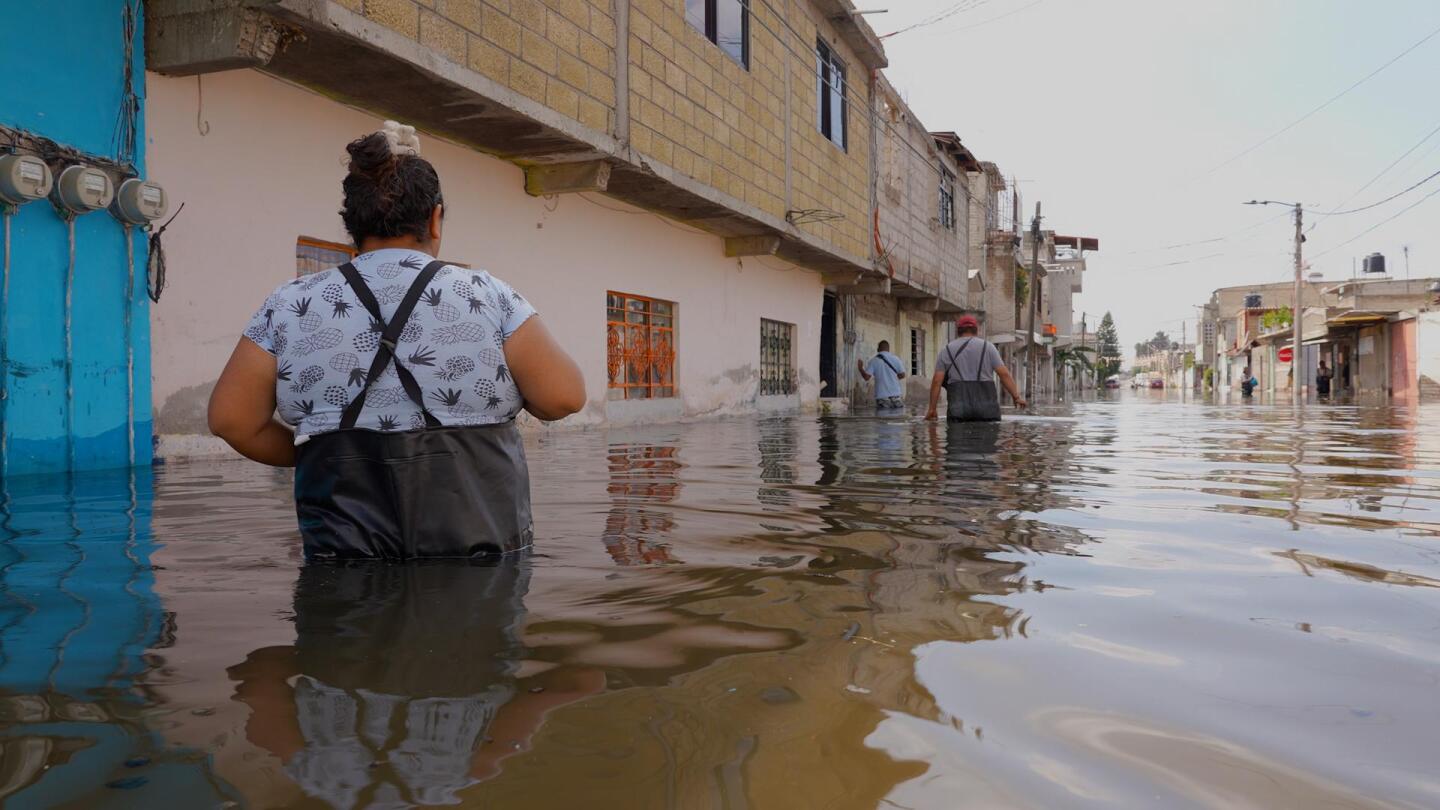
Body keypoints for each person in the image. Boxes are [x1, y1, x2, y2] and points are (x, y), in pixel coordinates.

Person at [208, 122, 585, 559]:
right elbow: (564, 398)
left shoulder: (291, 302)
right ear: (435, 218)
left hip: (345, 561)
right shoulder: (486, 295)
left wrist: (313, 451)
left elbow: (231, 420)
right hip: (476, 559)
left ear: (352, 223)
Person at [926, 315, 1026, 421]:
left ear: (958, 331)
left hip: (958, 410)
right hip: (987, 410)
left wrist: (932, 409)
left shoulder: (946, 350)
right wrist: (1016, 397)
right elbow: (1004, 374)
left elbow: (937, 381)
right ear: (976, 330)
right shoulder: (989, 348)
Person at [857, 340, 907, 411]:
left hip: (882, 397)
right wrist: (892, 378)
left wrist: (860, 368)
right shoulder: (896, 359)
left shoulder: (874, 361)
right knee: (896, 419)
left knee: (883, 420)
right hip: (896, 396)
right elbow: (903, 375)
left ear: (878, 349)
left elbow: (866, 377)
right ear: (888, 349)